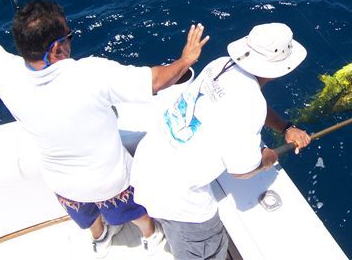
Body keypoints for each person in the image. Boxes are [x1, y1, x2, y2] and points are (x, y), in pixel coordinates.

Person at [0, 0, 210, 257]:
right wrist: (186, 60)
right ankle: (150, 236)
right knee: (136, 211)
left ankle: (101, 238)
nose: (70, 41)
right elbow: (156, 81)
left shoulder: (6, 73)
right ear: (56, 48)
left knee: (87, 216)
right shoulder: (90, 74)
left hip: (64, 187)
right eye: (68, 36)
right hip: (112, 182)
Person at [130, 22, 312, 260]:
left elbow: (246, 101)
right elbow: (242, 171)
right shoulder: (250, 103)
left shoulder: (222, 65)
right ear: (280, 68)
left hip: (147, 164)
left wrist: (286, 127)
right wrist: (270, 156)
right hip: (180, 199)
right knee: (207, 249)